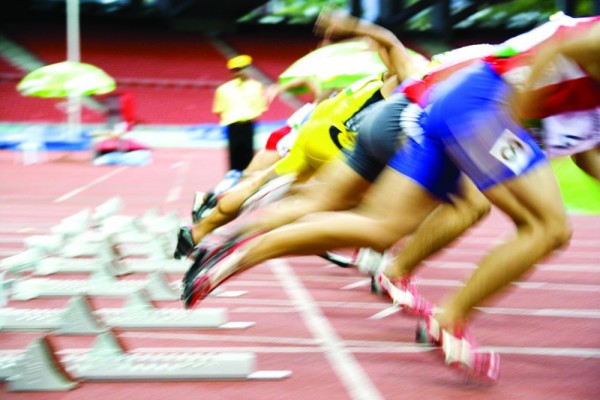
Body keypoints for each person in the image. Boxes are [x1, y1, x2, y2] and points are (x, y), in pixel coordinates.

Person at [182, 14, 600, 382]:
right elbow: (567, 47)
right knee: (546, 227)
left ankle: (241, 252)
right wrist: (518, 107)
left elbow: (587, 152)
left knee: (382, 226)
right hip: (477, 105)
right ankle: (449, 317)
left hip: (443, 105)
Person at [213, 54, 270, 172]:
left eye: (243, 69)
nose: (239, 72)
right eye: (236, 70)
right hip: (232, 126)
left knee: (248, 156)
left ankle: (247, 180)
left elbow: (259, 107)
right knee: (234, 156)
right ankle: (233, 180)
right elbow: (219, 110)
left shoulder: (256, 87)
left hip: (248, 124)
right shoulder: (223, 89)